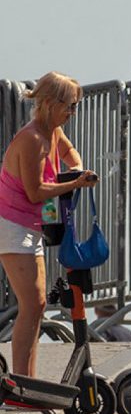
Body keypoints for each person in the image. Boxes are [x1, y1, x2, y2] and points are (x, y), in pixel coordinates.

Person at [0, 72, 98, 377]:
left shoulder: (53, 132)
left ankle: (27, 379)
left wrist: (77, 169)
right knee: (31, 305)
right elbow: (36, 191)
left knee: (38, 305)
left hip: (31, 224)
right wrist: (76, 183)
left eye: (75, 106)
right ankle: (21, 379)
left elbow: (69, 152)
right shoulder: (32, 139)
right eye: (70, 106)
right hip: (12, 224)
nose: (72, 113)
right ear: (50, 103)